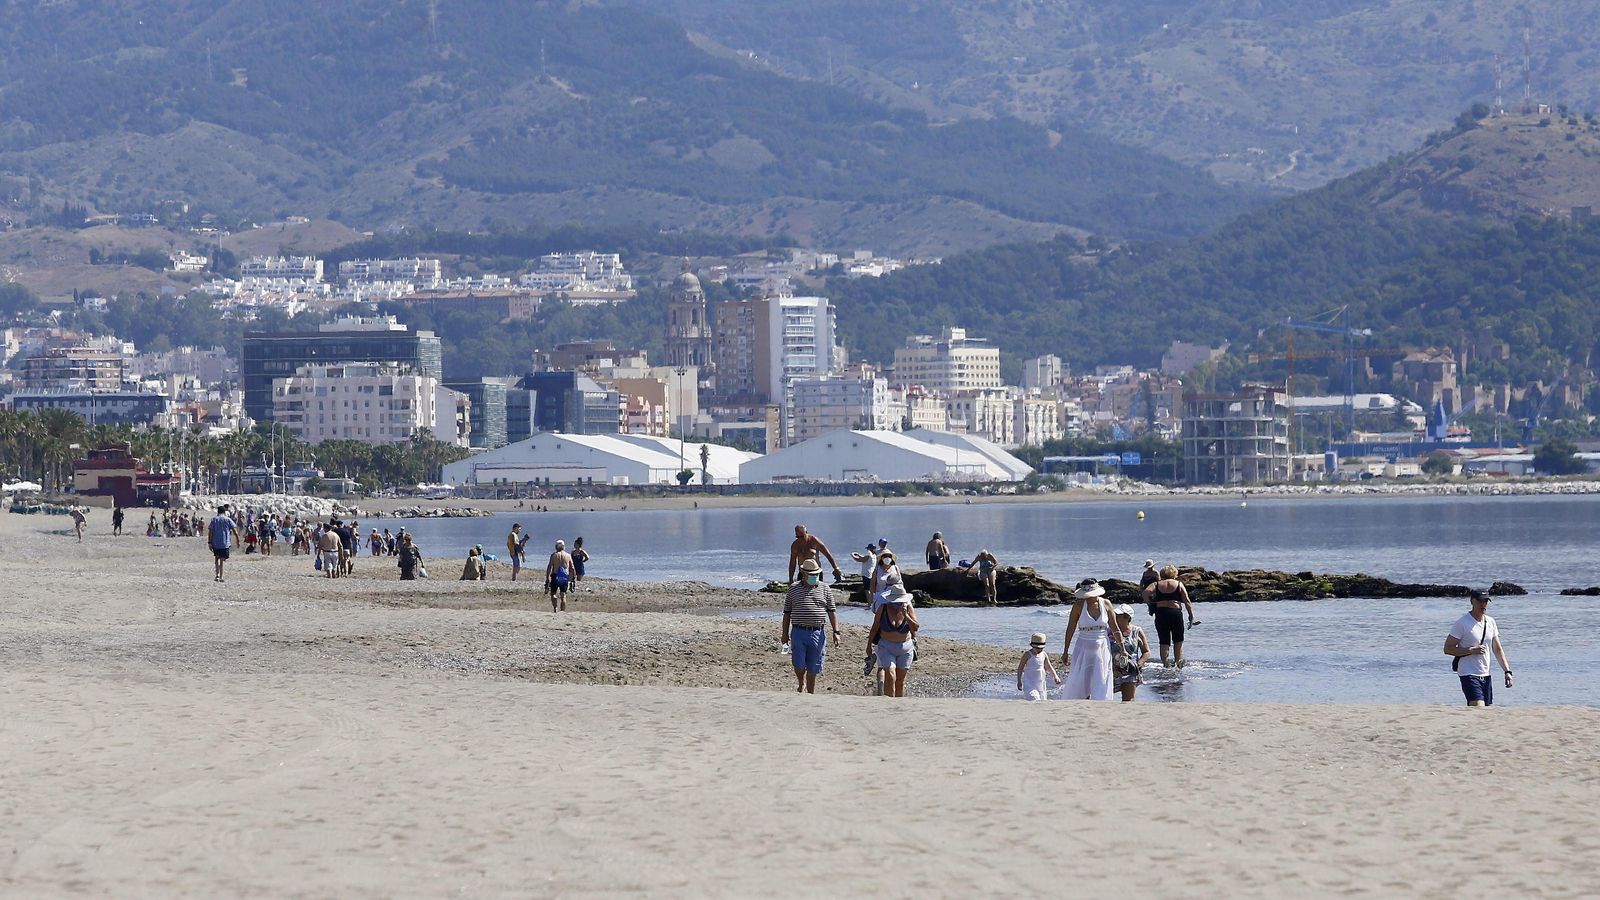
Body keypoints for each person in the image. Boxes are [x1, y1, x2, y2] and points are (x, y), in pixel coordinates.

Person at [780, 558, 840, 694]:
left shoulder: (825, 588)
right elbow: (787, 613)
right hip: (798, 631)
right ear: (804, 574)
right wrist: (784, 634)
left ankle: (811, 694)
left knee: (814, 667)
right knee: (799, 664)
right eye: (812, 574)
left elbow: (832, 611)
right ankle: (801, 682)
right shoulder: (793, 589)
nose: (814, 577)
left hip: (818, 632)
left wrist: (836, 631)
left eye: (816, 574)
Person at [1445, 592, 1513, 707]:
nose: (1483, 604)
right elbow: (1447, 649)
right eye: (1480, 601)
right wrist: (1470, 650)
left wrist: (1507, 671)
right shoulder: (1462, 623)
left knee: (1485, 711)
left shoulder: (1490, 622)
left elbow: (1497, 649)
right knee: (1478, 706)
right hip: (1468, 672)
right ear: (1472, 602)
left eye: (1486, 601)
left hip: (1485, 673)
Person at [1059, 579, 1124, 701]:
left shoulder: (1106, 604)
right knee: (1081, 675)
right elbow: (1070, 629)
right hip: (1083, 645)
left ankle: (1099, 700)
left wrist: (1122, 648)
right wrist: (1065, 650)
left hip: (1102, 646)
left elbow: (1115, 628)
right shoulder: (1078, 606)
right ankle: (1081, 699)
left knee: (1101, 674)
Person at [1140, 564, 1198, 668]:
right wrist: (1191, 616)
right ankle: (1178, 662)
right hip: (1175, 612)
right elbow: (1187, 601)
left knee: (1164, 640)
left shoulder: (1156, 584)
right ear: (1174, 574)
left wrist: (1150, 604)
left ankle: (1166, 664)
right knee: (1178, 639)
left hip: (1161, 613)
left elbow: (1145, 593)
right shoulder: (1178, 584)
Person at [867, 593, 919, 698]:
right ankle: (888, 703)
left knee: (900, 681)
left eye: (900, 602)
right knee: (890, 675)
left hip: (905, 648)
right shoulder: (883, 608)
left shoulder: (908, 608)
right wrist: (868, 645)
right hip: (886, 647)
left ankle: (899, 705)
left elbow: (915, 627)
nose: (898, 604)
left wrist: (906, 615)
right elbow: (875, 627)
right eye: (895, 602)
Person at [1111, 605, 1151, 702]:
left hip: (1130, 671)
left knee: (1128, 701)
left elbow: (1147, 652)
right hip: (1111, 671)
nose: (1115, 617)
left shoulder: (1136, 631)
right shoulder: (1109, 630)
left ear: (1127, 617)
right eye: (1115, 615)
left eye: (1119, 616)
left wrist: (1139, 664)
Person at [1017, 632, 1061, 701]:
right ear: (1032, 646)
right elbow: (1020, 668)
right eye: (1037, 648)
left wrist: (1055, 676)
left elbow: (1049, 667)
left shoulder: (1044, 654)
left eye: (1041, 648)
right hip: (1029, 682)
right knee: (1033, 697)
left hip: (1040, 682)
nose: (1039, 650)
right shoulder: (1027, 655)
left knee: (1042, 699)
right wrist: (1019, 681)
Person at [207, 505, 238, 583]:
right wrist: (238, 540)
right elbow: (235, 531)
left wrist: (209, 542)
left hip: (216, 543)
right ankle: (221, 576)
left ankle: (217, 575)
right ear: (224, 512)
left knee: (216, 558)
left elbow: (210, 531)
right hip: (225, 543)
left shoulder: (214, 519)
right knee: (222, 559)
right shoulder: (228, 519)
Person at [546, 540, 575, 612]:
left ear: (556, 547)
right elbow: (572, 568)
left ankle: (555, 608)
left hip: (555, 576)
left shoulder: (554, 555)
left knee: (553, 594)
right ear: (564, 547)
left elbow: (549, 566)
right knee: (563, 595)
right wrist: (573, 578)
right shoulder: (568, 555)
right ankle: (562, 611)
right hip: (565, 576)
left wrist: (547, 577)